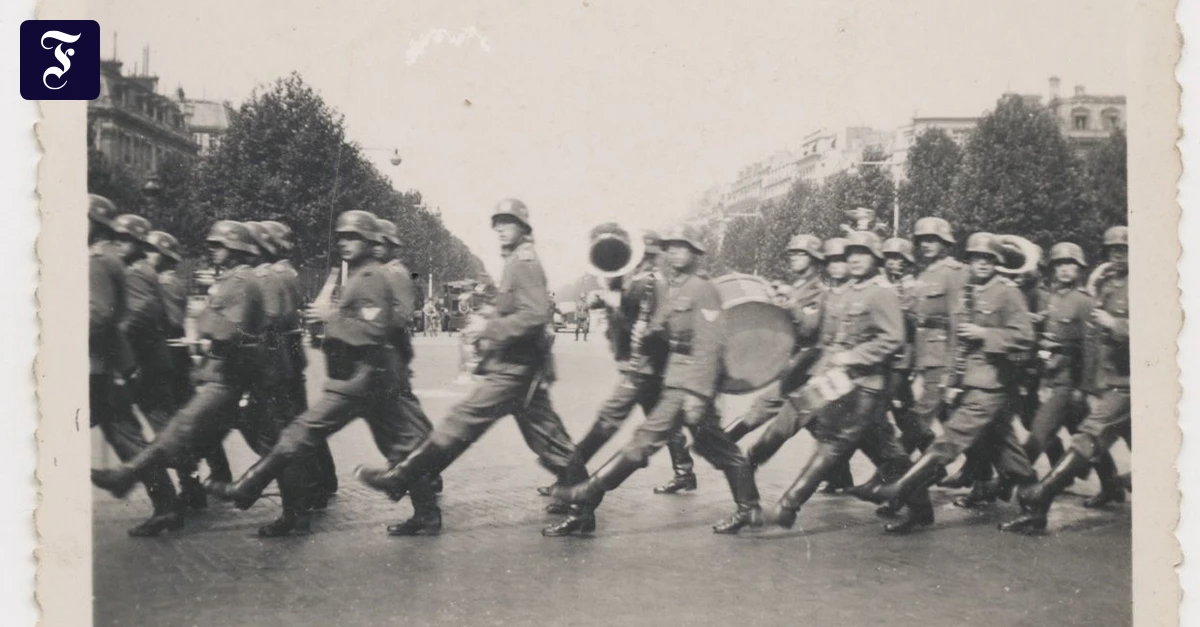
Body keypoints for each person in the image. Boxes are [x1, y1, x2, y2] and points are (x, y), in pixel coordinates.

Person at [355, 199, 593, 536]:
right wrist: (491, 316)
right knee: (549, 442)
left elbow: (536, 314)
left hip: (516, 369)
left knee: (461, 422)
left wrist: (489, 328)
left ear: (523, 227)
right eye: (496, 222)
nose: (499, 228)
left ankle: (401, 478)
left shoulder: (523, 261)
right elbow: (517, 308)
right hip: (518, 367)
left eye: (507, 222)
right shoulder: (516, 259)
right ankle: (584, 509)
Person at [205, 211, 441, 536]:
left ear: (371, 242)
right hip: (369, 380)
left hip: (360, 381)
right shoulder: (361, 274)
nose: (344, 242)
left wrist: (331, 317)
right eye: (342, 236)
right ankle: (427, 514)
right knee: (399, 447)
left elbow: (373, 330)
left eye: (353, 237)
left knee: (299, 432)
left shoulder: (371, 277)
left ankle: (248, 486)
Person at [92, 220, 316, 537]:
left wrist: (206, 321)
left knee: (184, 427)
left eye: (219, 245)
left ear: (237, 248)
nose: (213, 250)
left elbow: (225, 329)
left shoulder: (240, 281)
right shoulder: (237, 278)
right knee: (266, 445)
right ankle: (295, 511)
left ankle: (128, 474)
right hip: (235, 374)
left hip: (230, 376)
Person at [545, 225, 764, 536]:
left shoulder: (702, 289)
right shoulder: (675, 287)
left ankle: (587, 494)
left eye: (682, 247)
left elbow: (709, 344)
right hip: (676, 378)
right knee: (718, 447)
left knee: (644, 441)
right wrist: (641, 327)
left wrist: (698, 394)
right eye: (670, 246)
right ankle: (750, 507)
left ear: (696, 252)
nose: (674, 251)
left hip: (688, 384)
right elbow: (663, 326)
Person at [752, 231, 919, 530]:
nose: (853, 259)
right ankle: (921, 504)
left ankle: (787, 508)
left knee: (834, 443)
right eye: (850, 254)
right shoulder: (851, 290)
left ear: (876, 258)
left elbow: (894, 339)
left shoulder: (881, 292)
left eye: (861, 254)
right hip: (837, 379)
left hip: (866, 385)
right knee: (879, 446)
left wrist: (854, 356)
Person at [874, 232, 1038, 532]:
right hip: (970, 383)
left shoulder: (1006, 292)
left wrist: (985, 334)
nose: (981, 264)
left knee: (947, 442)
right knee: (1005, 448)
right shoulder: (969, 293)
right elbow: (956, 343)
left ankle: (900, 492)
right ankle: (1036, 509)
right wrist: (951, 381)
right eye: (976, 258)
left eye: (988, 258)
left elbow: (1024, 336)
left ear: (997, 262)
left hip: (991, 385)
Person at [536, 229, 697, 519]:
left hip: (642, 369)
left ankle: (568, 483)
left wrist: (616, 304)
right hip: (644, 369)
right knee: (661, 424)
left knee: (605, 424)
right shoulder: (635, 281)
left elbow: (651, 326)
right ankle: (684, 470)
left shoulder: (648, 282)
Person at [1000, 226, 1131, 533]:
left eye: (1123, 250)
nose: (1116, 255)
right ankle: (1111, 486)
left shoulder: (1123, 289)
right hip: (1103, 379)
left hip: (1119, 381)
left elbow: (1093, 342)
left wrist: (1086, 386)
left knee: (1086, 436)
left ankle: (1036, 497)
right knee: (1096, 437)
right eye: (1112, 250)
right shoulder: (1106, 286)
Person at [87, 196, 181, 537]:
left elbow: (99, 317)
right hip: (107, 365)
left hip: (94, 366)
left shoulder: (98, 261)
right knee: (125, 434)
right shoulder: (110, 261)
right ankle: (165, 503)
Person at [262, 219, 339, 504]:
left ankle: (308, 483)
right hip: (291, 353)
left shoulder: (275, 273)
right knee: (301, 419)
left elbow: (271, 318)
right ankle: (323, 479)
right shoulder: (288, 271)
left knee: (291, 424)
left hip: (280, 355)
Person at [721, 233, 826, 444]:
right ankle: (723, 444)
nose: (794, 257)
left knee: (823, 435)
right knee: (768, 408)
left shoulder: (818, 291)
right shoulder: (797, 287)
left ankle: (723, 446)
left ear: (813, 259)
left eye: (801, 253)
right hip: (795, 369)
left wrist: (790, 302)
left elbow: (808, 328)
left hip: (809, 368)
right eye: (793, 253)